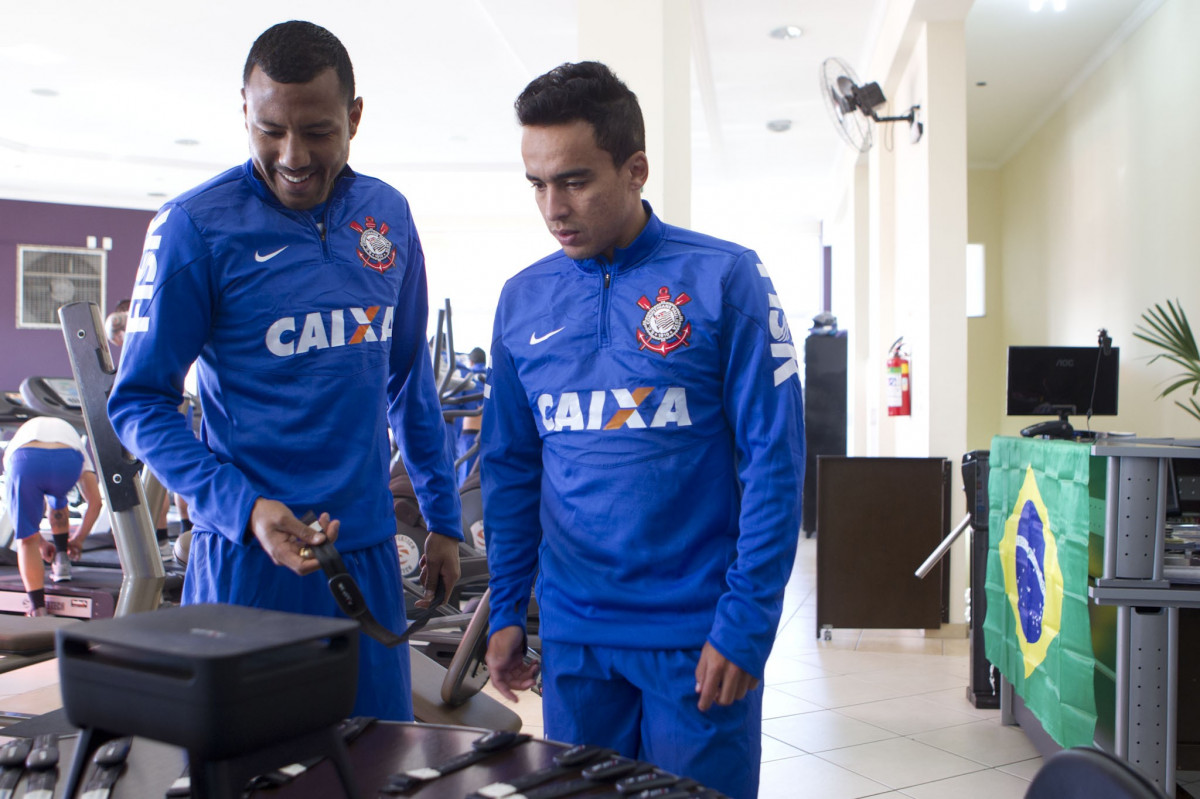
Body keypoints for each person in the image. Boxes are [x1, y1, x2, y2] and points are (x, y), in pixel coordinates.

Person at [108, 20, 462, 721]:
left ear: (355, 117)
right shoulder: (194, 227)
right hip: (249, 557)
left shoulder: (387, 217)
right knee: (249, 771)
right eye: (269, 129)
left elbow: (407, 376)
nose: (293, 155)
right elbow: (140, 402)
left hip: (362, 554)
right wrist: (241, 508)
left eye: (318, 132)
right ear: (244, 108)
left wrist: (444, 515)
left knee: (379, 764)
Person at [480, 62, 805, 799]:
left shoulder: (725, 279)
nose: (553, 207)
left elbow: (774, 466)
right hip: (576, 639)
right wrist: (507, 607)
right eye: (536, 184)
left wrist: (745, 623)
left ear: (636, 170)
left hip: (696, 637)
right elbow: (510, 467)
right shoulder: (521, 299)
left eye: (574, 180)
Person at [3, 416, 103, 614]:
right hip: (68, 460)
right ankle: (62, 561)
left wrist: (39, 543)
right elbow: (95, 502)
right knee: (57, 498)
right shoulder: (70, 434)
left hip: (26, 459)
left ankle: (37, 609)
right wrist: (78, 539)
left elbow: (22, 522)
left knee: (26, 539)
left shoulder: (21, 435)